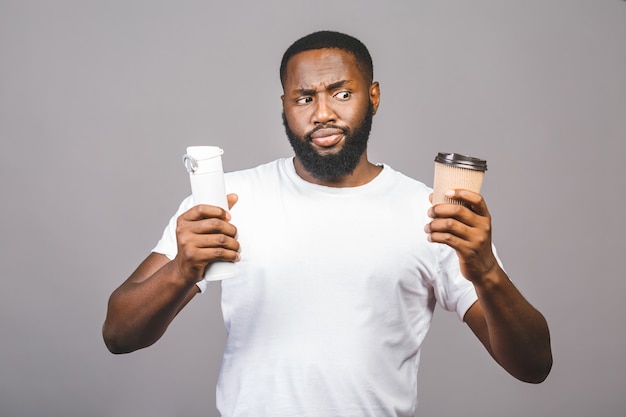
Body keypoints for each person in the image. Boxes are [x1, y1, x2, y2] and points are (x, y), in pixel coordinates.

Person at [103, 30, 552, 416]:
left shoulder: (430, 213)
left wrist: (487, 274)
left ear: (372, 96)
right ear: (285, 105)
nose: (322, 113)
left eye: (341, 93)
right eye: (304, 98)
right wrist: (183, 269)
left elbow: (533, 366)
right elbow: (119, 334)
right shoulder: (227, 202)